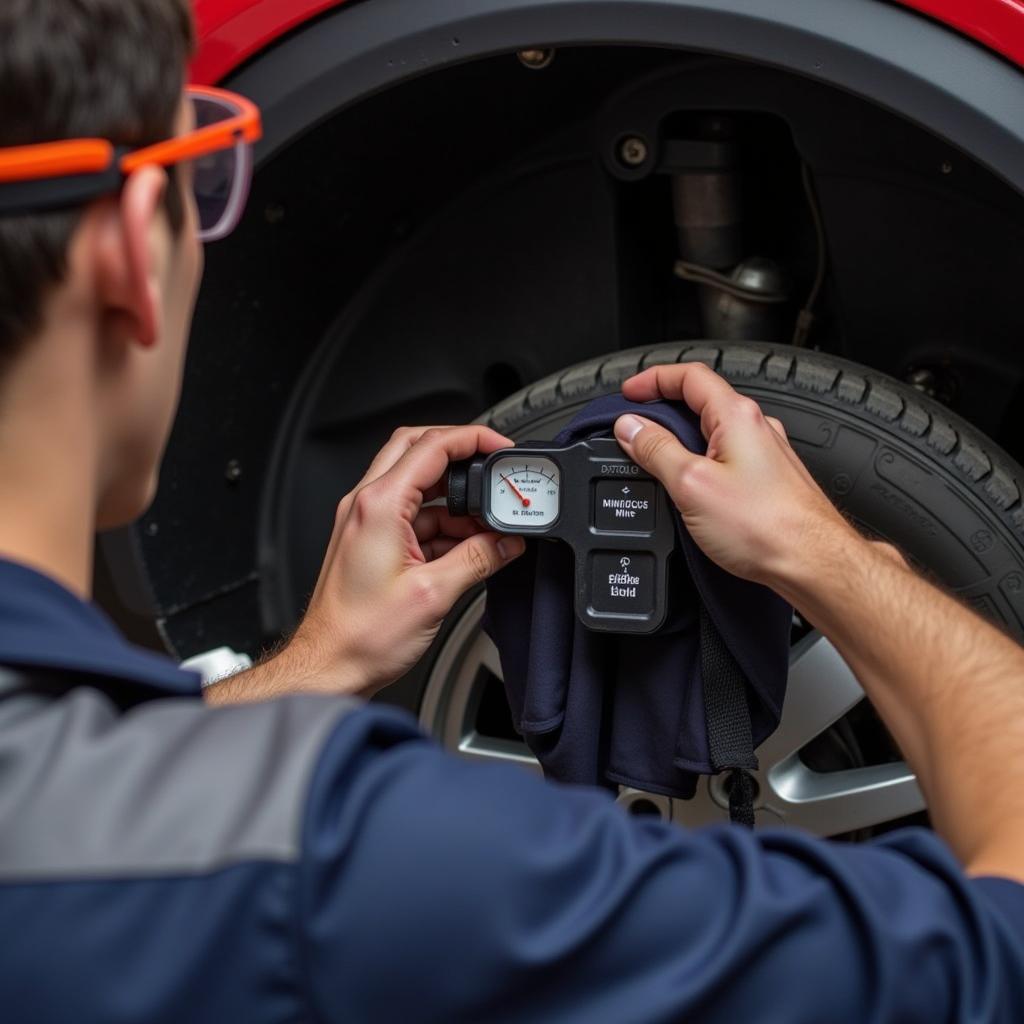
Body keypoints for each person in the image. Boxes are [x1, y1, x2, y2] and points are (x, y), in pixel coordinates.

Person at [1, 1, 1022, 1021]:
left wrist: (322, 661)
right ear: (135, 249)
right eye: (206, 183)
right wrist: (839, 560)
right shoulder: (373, 868)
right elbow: (997, 950)